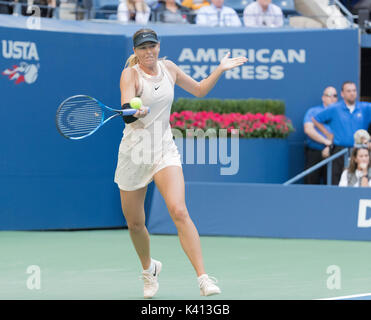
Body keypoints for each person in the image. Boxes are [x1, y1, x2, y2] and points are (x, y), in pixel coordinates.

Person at [115, 28, 247, 298]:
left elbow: (198, 90)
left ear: (159, 46)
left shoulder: (170, 68)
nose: (148, 51)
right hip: (134, 154)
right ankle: (148, 269)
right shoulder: (130, 74)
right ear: (135, 52)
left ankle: (203, 278)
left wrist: (220, 69)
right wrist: (134, 111)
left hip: (165, 150)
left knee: (179, 211)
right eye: (142, 48)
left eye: (152, 46)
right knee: (135, 224)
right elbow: (127, 113)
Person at [312, 81, 371, 185]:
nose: (352, 93)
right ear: (342, 94)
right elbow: (316, 119)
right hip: (339, 151)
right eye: (348, 91)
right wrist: (328, 135)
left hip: (360, 151)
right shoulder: (335, 108)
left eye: (354, 90)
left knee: (360, 180)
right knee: (336, 180)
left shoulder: (365, 108)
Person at [303, 86, 338, 184]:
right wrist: (326, 142)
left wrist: (330, 146)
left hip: (335, 152)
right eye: (329, 95)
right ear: (323, 98)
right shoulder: (313, 111)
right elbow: (308, 129)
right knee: (311, 182)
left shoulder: (340, 112)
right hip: (315, 152)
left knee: (333, 183)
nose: (332, 98)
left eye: (335, 96)